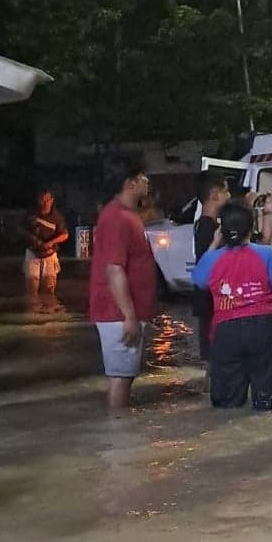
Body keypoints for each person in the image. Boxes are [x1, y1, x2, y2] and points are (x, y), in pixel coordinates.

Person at [192, 202, 272, 409]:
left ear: (221, 231)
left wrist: (213, 245)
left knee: (226, 403)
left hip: (226, 332)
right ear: (252, 228)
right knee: (268, 400)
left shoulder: (213, 259)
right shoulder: (268, 254)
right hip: (266, 327)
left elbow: (199, 280)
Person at [89, 163, 158, 414]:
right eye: (143, 177)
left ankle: (118, 433)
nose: (147, 181)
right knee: (121, 375)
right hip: (117, 313)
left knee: (124, 374)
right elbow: (114, 268)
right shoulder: (117, 217)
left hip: (123, 311)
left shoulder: (124, 215)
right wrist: (128, 315)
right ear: (130, 183)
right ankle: (118, 436)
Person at [193, 171, 230, 388]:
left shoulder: (205, 223)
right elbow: (205, 264)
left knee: (214, 357)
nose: (229, 196)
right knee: (214, 359)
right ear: (215, 194)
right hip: (210, 301)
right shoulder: (208, 227)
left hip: (208, 300)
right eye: (226, 191)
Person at [19, 189, 69, 302]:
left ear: (52, 201)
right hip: (33, 254)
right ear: (38, 201)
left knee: (49, 290)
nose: (45, 203)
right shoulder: (30, 214)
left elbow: (65, 234)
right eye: (42, 200)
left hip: (50, 255)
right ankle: (33, 314)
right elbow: (20, 229)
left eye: (47, 200)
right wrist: (32, 239)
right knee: (31, 288)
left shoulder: (57, 217)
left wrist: (50, 243)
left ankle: (48, 315)